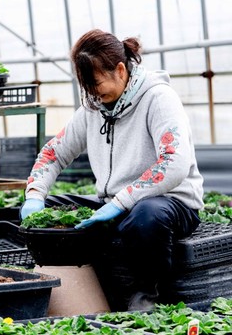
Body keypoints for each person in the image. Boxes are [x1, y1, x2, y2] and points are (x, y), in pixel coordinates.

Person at [20, 28, 204, 311]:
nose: (93, 93)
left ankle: (147, 294)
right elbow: (53, 153)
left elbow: (173, 163)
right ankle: (74, 290)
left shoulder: (158, 99)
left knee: (146, 217)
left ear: (120, 70)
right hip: (113, 204)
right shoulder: (94, 108)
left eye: (96, 83)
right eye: (87, 87)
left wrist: (121, 202)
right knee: (49, 211)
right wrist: (35, 195)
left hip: (168, 203)